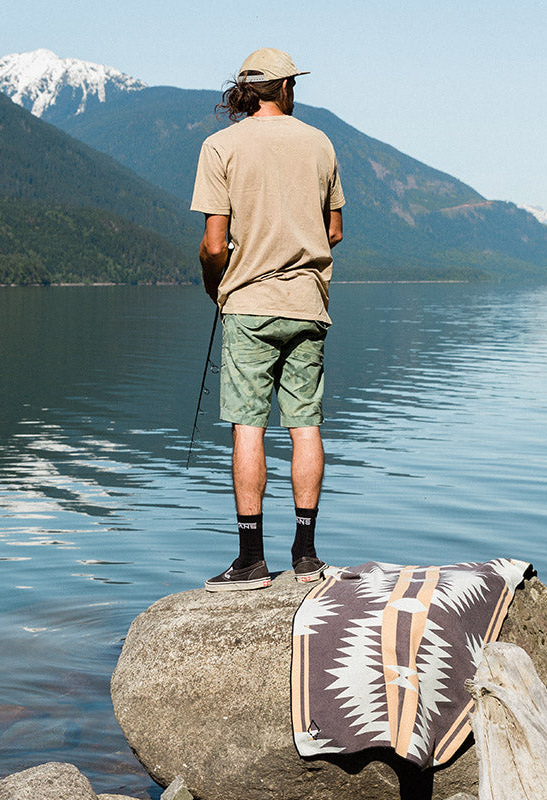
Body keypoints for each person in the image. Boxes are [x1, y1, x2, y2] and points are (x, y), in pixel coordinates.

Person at [190, 47, 345, 592]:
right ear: (282, 88)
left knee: (247, 425)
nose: (295, 92)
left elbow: (214, 243)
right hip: (308, 302)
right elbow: (334, 232)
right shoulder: (320, 143)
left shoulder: (220, 147)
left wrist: (217, 281)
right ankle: (306, 557)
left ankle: (251, 561)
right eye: (293, 84)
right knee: (306, 424)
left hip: (248, 305)